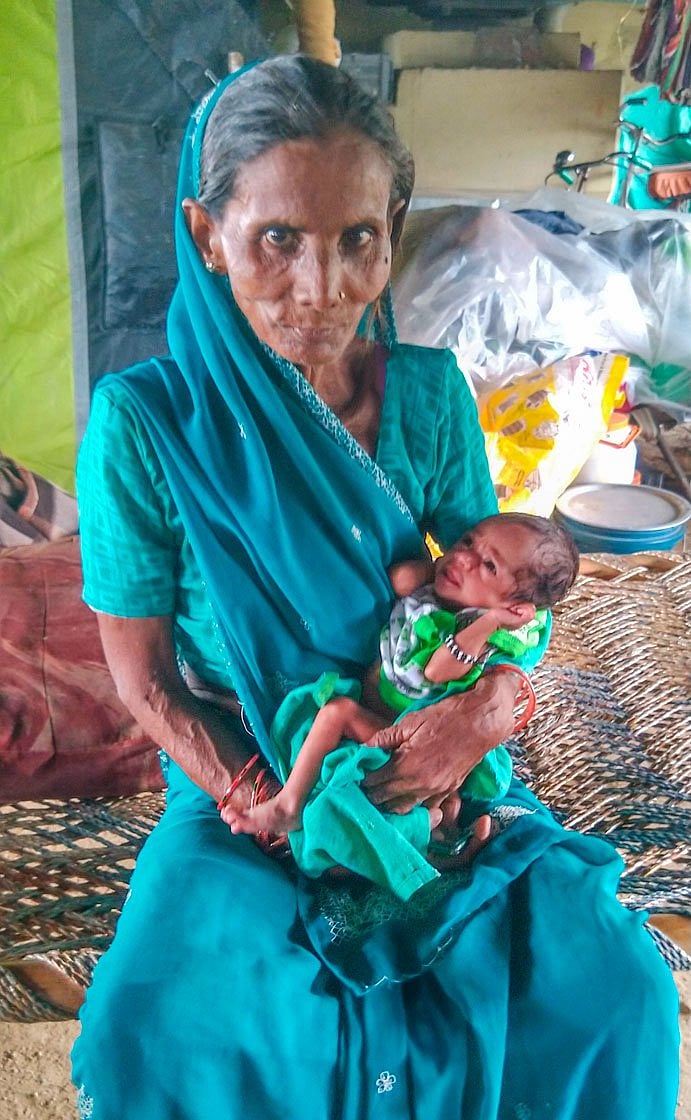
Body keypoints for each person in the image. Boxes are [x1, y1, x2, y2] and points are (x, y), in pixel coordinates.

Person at [71, 56, 679, 1120]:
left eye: (358, 238)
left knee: (612, 989)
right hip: (253, 786)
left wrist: (483, 713)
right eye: (278, 241)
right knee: (152, 1027)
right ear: (205, 234)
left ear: (392, 230)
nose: (325, 289)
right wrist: (257, 795)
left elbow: (507, 613)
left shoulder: (434, 399)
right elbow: (147, 676)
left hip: (443, 769)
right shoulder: (146, 426)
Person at [224, 514, 578, 898]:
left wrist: (491, 619)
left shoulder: (476, 630)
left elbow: (439, 668)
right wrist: (441, 569)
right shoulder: (433, 593)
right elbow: (400, 579)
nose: (465, 559)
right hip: (386, 721)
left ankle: (292, 804)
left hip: (413, 736)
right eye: (468, 542)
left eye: (489, 566)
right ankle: (436, 837)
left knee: (338, 714)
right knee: (419, 798)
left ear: (515, 606)